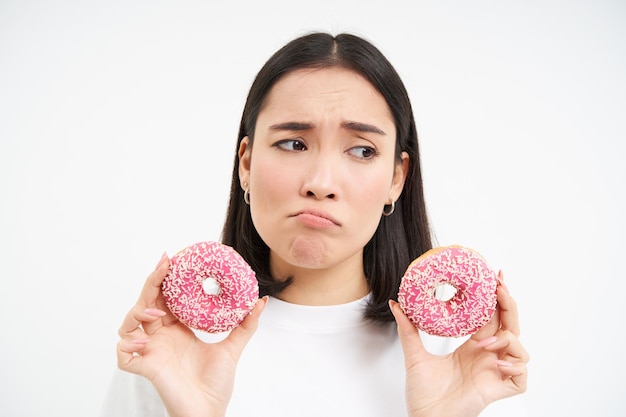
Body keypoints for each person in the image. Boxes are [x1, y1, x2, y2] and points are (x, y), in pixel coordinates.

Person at [102, 32, 529, 417]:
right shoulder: (173, 349)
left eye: (362, 151)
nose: (321, 183)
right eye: (293, 143)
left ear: (396, 178)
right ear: (246, 163)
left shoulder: (465, 358)